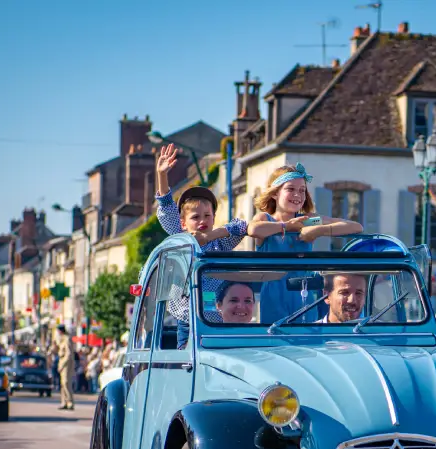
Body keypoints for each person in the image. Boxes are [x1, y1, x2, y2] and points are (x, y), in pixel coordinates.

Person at [154, 144, 251, 349]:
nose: (202, 221)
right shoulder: (180, 238)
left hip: (216, 318)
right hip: (187, 319)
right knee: (188, 360)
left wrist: (210, 236)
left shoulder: (219, 243)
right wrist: (162, 176)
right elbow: (166, 207)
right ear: (183, 223)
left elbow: (241, 226)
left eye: (207, 216)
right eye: (195, 217)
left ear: (214, 218)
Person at [249, 164, 363, 324]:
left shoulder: (309, 220)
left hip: (304, 294)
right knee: (275, 342)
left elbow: (356, 227)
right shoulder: (264, 219)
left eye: (302, 190)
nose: (297, 194)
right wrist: (286, 227)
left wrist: (319, 231)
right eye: (291, 189)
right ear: (275, 193)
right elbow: (253, 229)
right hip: (274, 295)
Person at [54, 325, 74, 410]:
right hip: (61, 361)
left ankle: (70, 402)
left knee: (66, 382)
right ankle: (64, 402)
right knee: (62, 384)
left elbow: (68, 354)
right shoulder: (60, 339)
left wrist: (62, 365)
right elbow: (56, 350)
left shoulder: (67, 339)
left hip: (67, 363)